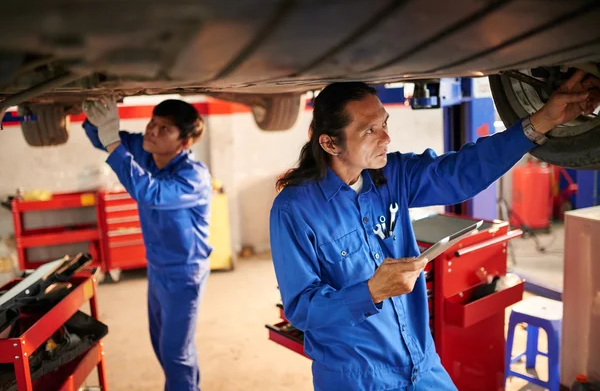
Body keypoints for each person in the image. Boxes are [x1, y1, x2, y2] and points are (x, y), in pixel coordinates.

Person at [269, 71, 600, 390]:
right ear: (330, 143)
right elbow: (301, 308)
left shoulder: (393, 174)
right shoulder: (294, 209)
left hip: (421, 364)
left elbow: (460, 173)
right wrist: (370, 291)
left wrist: (544, 119)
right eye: (369, 130)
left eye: (384, 123)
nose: (386, 137)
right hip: (357, 378)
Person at [82, 96, 213, 391]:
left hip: (184, 274)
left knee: (175, 352)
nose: (152, 131)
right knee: (163, 344)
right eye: (153, 122)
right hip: (157, 269)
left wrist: (114, 143)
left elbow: (149, 192)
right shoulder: (145, 151)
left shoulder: (193, 177)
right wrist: (95, 119)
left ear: (184, 142)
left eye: (165, 129)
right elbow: (102, 138)